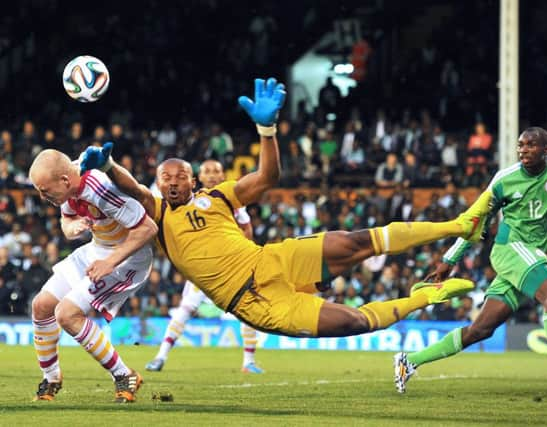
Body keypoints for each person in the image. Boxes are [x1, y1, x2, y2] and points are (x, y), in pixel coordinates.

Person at [79, 77, 491, 343]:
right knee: (354, 323)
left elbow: (267, 178)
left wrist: (267, 130)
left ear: (192, 179)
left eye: (178, 175)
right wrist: (110, 166)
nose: (170, 181)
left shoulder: (219, 195)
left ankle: (459, 225)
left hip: (271, 260)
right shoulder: (158, 216)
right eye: (164, 176)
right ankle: (423, 297)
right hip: (253, 302)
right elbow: (131, 186)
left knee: (357, 241)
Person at [394, 127, 547, 398]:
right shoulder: (504, 180)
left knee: (481, 329)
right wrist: (449, 259)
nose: (523, 150)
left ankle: (408, 361)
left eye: (531, 145)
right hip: (510, 248)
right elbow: (474, 220)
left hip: (530, 255)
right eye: (520, 145)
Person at [28, 149, 158, 403]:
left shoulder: (98, 189)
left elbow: (148, 228)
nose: (43, 197)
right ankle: (51, 377)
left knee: (66, 313)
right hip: (97, 250)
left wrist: (109, 262)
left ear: (65, 180)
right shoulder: (66, 185)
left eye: (45, 191)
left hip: (127, 258)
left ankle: (124, 375)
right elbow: (67, 222)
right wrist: (71, 227)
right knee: (41, 306)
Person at [145, 159, 264, 373]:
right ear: (197, 179)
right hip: (202, 269)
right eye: (207, 171)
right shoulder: (187, 200)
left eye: (216, 171)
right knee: (186, 308)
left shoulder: (230, 199)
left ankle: (249, 362)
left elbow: (246, 228)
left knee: (247, 309)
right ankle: (160, 356)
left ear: (222, 176)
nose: (211, 175)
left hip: (230, 267)